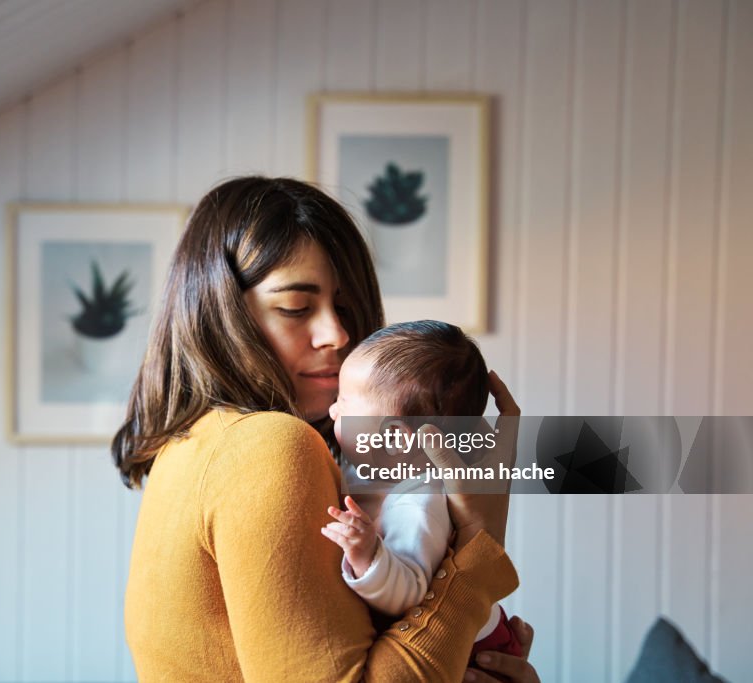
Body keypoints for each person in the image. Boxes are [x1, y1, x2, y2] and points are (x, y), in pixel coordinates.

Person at [114, 176, 539, 682]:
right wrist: (478, 539)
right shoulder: (266, 445)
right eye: (296, 307)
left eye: (346, 306)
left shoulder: (195, 445)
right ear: (222, 315)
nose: (336, 333)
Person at [323, 320, 523, 681]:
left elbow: (409, 591)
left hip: (473, 654)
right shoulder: (377, 476)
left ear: (397, 440)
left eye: (344, 403)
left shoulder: (418, 503)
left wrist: (368, 555)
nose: (333, 411)